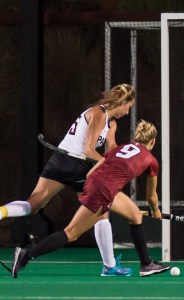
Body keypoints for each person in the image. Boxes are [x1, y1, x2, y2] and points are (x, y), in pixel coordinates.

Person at [0, 84, 136, 276]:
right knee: (100, 212)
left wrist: (120, 157)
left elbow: (110, 149)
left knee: (34, 205)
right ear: (121, 102)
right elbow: (89, 150)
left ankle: (2, 211)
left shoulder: (111, 123)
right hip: (76, 165)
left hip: (61, 162)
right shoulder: (98, 113)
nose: (128, 111)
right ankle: (109, 266)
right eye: (128, 106)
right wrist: (111, 167)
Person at [12, 120, 170, 278]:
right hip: (104, 191)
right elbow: (151, 196)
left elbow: (91, 174)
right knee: (71, 233)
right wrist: (155, 210)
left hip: (95, 183)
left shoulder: (120, 148)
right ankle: (26, 255)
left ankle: (146, 264)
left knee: (135, 215)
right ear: (153, 141)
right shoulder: (151, 160)